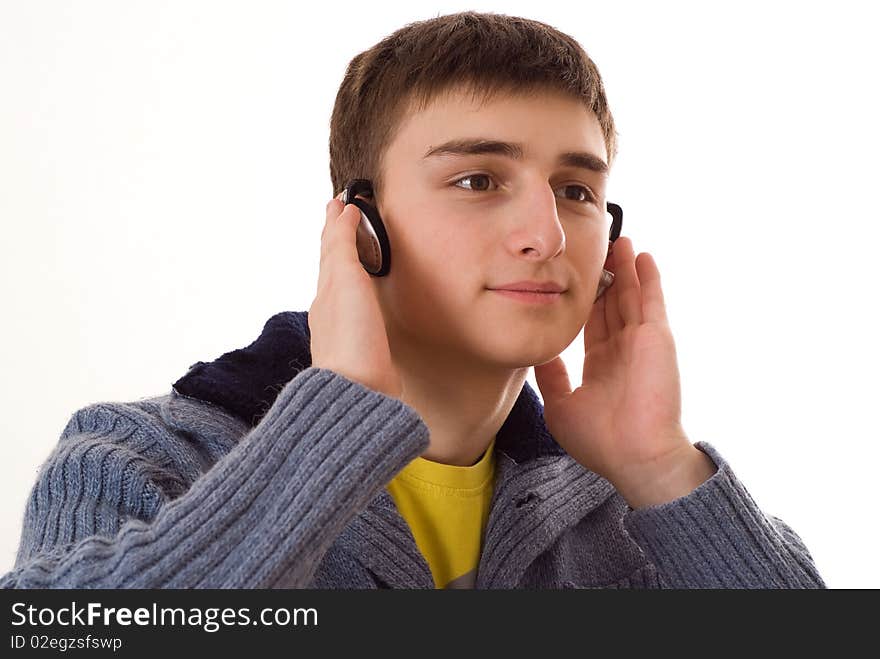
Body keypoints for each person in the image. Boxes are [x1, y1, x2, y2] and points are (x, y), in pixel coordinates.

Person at [2, 10, 825, 589]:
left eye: (577, 189)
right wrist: (333, 419)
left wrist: (660, 466)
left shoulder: (626, 512)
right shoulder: (141, 461)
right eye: (477, 179)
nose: (547, 232)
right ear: (359, 225)